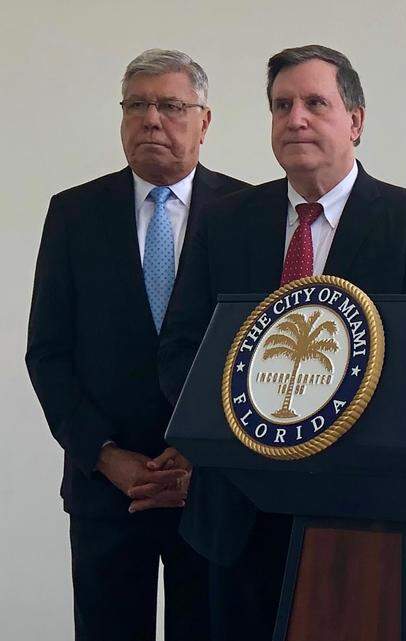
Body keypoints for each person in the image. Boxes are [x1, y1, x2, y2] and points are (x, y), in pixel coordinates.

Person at [157, 44, 406, 641]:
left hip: (360, 524)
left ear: (356, 121)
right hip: (237, 517)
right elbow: (182, 350)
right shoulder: (224, 222)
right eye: (281, 105)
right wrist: (239, 440)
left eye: (315, 103)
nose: (295, 118)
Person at [25, 49, 248, 641]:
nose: (152, 119)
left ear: (205, 121)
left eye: (171, 106)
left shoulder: (246, 213)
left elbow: (259, 355)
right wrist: (103, 455)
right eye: (137, 105)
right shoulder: (74, 214)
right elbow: (47, 352)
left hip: (211, 486)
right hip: (106, 488)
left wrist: (203, 454)